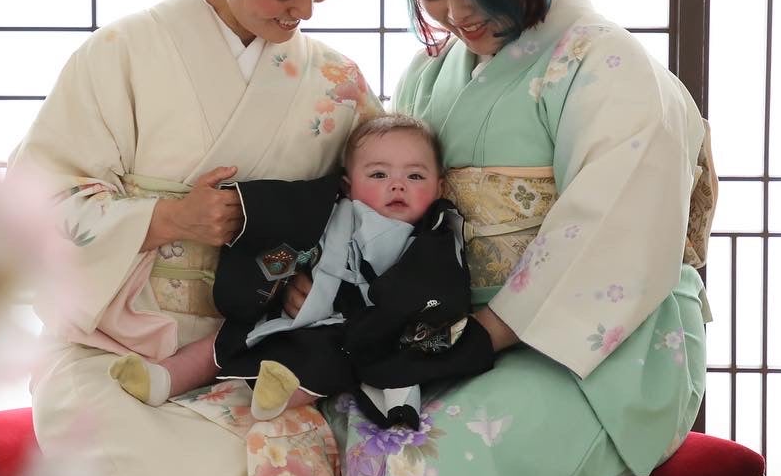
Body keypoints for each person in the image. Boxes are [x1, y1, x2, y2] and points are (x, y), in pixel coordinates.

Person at [301, 0, 717, 476]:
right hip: (461, 333)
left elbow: (612, 223)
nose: (456, 13)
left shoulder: (605, 62)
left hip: (601, 349)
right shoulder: (427, 78)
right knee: (354, 434)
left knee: (430, 463)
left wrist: (488, 332)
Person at [10, 0, 383, 476]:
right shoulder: (122, 54)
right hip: (106, 353)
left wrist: (325, 279)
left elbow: (373, 205)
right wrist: (165, 221)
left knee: (319, 472)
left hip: (258, 354)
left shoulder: (335, 82)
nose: (302, 10)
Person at [110, 114, 495, 429]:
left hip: (355, 331)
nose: (397, 185)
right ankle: (165, 376)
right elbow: (293, 246)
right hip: (298, 311)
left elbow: (440, 290)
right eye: (378, 175)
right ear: (348, 185)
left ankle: (276, 397)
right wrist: (277, 277)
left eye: (415, 176)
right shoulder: (328, 214)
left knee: (327, 363)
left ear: (439, 185)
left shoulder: (434, 237)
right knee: (229, 338)